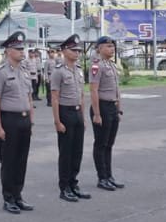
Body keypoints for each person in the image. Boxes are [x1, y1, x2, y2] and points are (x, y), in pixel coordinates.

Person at [0, 31, 35, 214]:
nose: (21, 51)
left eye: (22, 48)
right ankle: (8, 198)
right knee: (9, 161)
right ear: (8, 51)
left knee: (21, 160)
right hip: (9, 120)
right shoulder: (0, 73)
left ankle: (18, 195)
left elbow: (29, 97)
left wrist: (31, 121)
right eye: (17, 49)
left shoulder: (24, 72)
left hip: (24, 120)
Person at [50, 34, 90, 202]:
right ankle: (64, 187)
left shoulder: (79, 70)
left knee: (77, 152)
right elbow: (55, 97)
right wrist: (57, 121)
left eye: (78, 50)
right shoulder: (58, 71)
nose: (77, 53)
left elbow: (81, 95)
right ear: (65, 51)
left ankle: (74, 184)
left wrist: (83, 116)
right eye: (73, 50)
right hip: (65, 112)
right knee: (66, 152)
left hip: (77, 113)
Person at [89, 36, 124, 191]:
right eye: (108, 46)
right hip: (101, 107)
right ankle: (102, 177)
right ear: (99, 48)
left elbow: (116, 89)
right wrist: (97, 114)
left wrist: (119, 107)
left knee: (109, 144)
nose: (112, 49)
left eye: (112, 46)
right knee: (101, 143)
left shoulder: (111, 65)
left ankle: (109, 176)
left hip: (112, 107)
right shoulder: (96, 66)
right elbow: (94, 90)